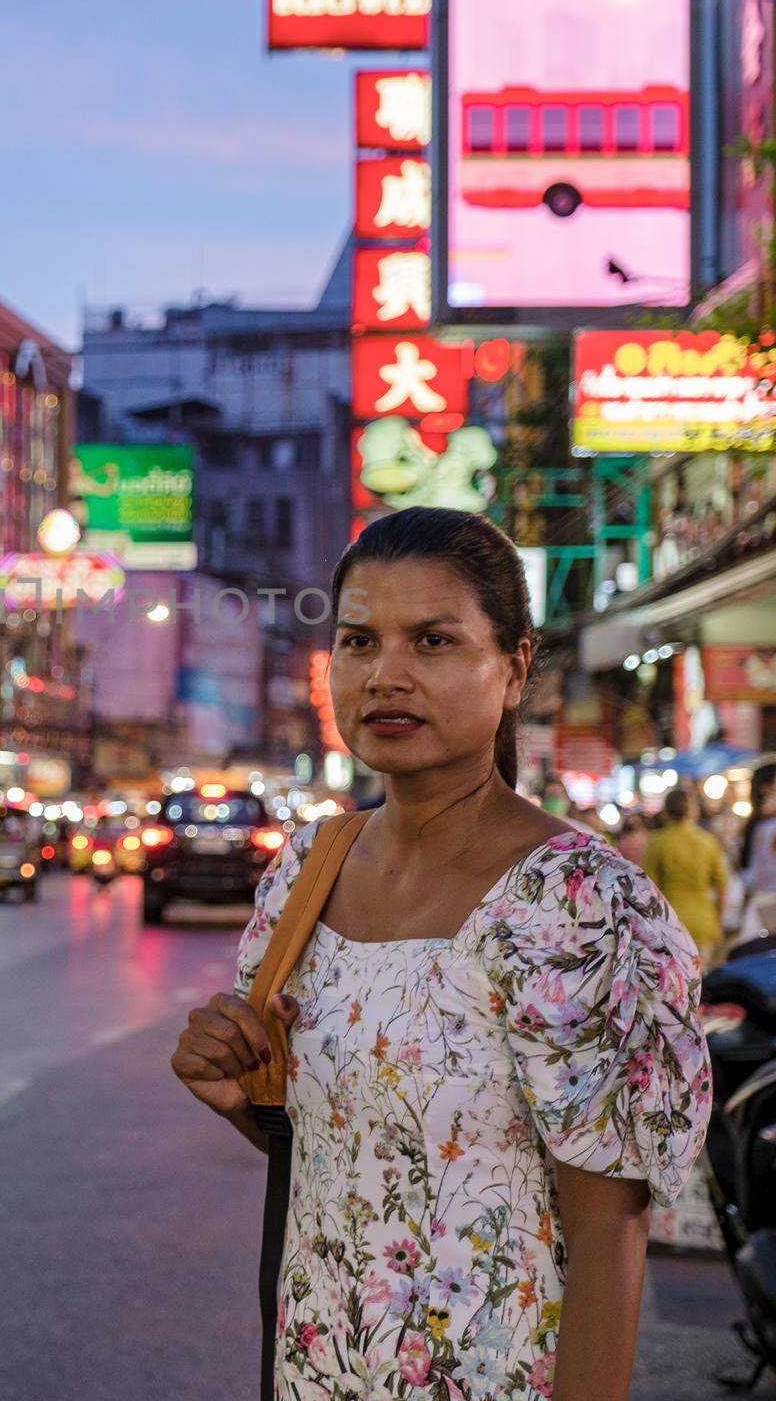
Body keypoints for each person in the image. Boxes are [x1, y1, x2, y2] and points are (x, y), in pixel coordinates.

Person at [171, 507, 710, 1401]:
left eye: (433, 641)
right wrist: (241, 1094)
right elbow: (352, 1160)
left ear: (514, 669)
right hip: (316, 1373)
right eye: (358, 641)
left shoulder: (575, 904)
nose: (387, 676)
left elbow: (612, 1238)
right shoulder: (307, 869)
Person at [641, 787, 731, 968]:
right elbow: (722, 886)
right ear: (693, 811)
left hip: (670, 923)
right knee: (701, 981)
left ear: (665, 812)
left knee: (675, 988)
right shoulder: (708, 841)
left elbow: (647, 888)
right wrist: (718, 923)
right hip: (703, 923)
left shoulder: (658, 842)